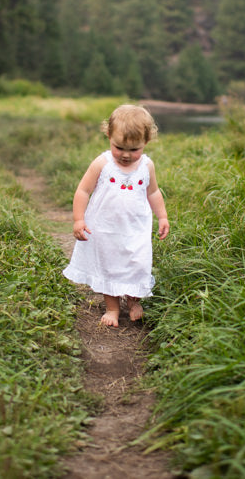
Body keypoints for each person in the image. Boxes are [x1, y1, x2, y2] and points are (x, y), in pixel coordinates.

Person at [63, 104, 170, 327]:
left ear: (146, 142)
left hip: (136, 229)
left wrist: (162, 217)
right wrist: (79, 219)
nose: (125, 155)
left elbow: (154, 192)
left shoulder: (147, 166)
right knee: (109, 265)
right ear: (109, 136)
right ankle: (112, 308)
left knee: (137, 264)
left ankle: (134, 302)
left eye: (134, 150)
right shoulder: (103, 163)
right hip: (106, 229)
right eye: (119, 147)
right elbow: (83, 190)